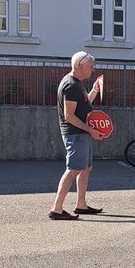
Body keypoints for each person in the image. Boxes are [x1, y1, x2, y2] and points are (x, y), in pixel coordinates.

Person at [48, 50, 107, 220]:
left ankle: (81, 205)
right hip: (76, 134)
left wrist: (94, 91)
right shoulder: (71, 85)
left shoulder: (76, 83)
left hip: (80, 133)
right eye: (90, 66)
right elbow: (69, 115)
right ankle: (56, 209)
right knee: (73, 169)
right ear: (80, 66)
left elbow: (83, 105)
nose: (92, 69)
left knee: (85, 168)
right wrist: (90, 130)